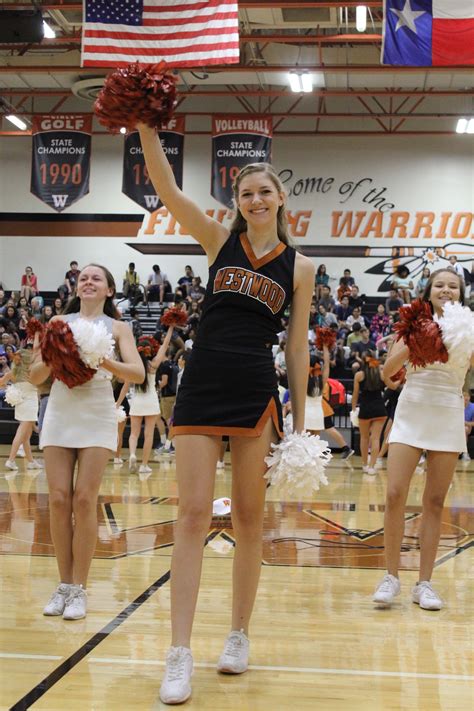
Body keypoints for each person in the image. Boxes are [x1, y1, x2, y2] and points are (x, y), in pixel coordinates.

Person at [138, 122, 314, 705]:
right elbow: (165, 188)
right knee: (190, 516)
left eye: (265, 192)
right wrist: (144, 123)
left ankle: (238, 634)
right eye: (246, 194)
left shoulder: (302, 267)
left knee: (247, 521)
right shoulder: (219, 241)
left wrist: (300, 417)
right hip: (203, 383)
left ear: (280, 198)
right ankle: (178, 653)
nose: (256, 201)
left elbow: (296, 344)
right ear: (236, 203)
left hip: (254, 389)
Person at [29, 264, 144, 620]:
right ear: (76, 289)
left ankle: (80, 588)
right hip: (61, 410)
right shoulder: (54, 327)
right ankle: (63, 584)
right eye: (84, 279)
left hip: (96, 411)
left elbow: (138, 373)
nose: (89, 282)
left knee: (84, 498)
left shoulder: (119, 328)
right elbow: (33, 377)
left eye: (97, 278)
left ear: (110, 290)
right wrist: (54, 354)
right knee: (59, 499)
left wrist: (102, 360)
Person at [373, 269, 473, 610]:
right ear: (428, 291)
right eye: (440, 285)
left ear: (461, 292)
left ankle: (425, 583)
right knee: (394, 492)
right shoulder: (412, 324)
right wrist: (419, 340)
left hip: (447, 409)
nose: (446, 289)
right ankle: (391, 577)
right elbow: (387, 372)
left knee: (434, 502)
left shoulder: (470, 328)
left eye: (453, 285)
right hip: (413, 406)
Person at [127, 329, 173, 476]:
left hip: (137, 401)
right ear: (149, 351)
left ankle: (132, 454)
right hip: (151, 402)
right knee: (148, 435)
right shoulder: (153, 365)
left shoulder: (135, 367)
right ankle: (144, 465)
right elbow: (165, 346)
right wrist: (171, 328)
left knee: (134, 434)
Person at [0, 345, 42, 471]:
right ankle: (11, 460)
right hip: (30, 404)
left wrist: (8, 389)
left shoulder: (12, 373)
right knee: (22, 433)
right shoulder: (32, 373)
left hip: (20, 404)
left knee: (25, 435)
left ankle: (31, 461)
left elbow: (1, 383)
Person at [351, 351, 387, 475]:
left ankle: (365, 465)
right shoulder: (381, 374)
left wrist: (353, 408)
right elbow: (391, 386)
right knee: (376, 439)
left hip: (365, 409)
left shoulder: (359, 375)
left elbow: (355, 394)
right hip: (379, 408)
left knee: (364, 438)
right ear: (374, 359)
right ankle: (372, 467)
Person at [462, 391, 474, 462]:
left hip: (467, 426)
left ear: (469, 397)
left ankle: (465, 453)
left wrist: (465, 423)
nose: (465, 398)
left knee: (464, 429)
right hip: (456, 426)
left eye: (467, 396)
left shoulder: (473, 407)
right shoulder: (457, 406)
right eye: (464, 396)